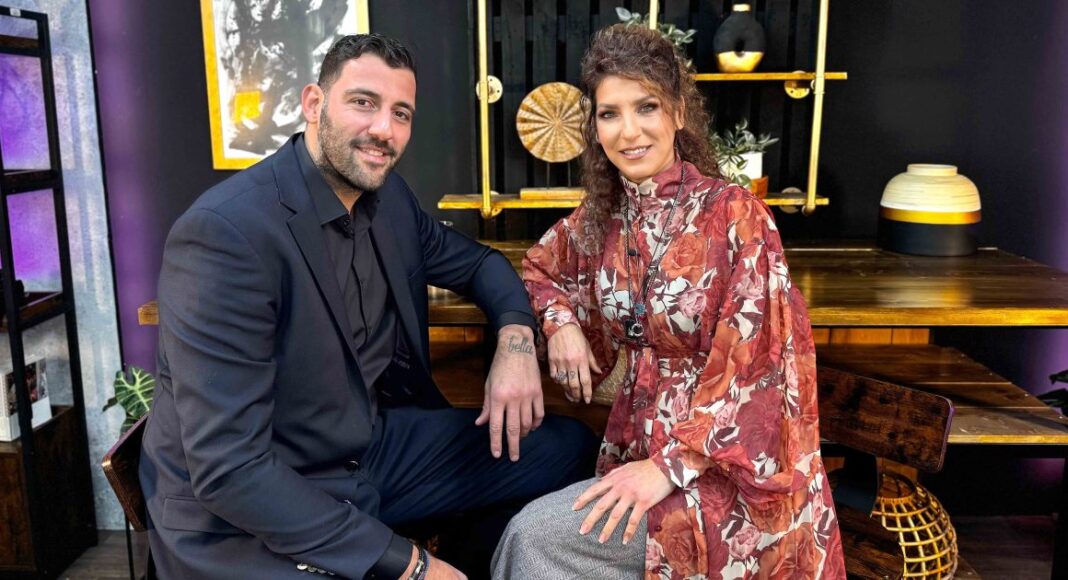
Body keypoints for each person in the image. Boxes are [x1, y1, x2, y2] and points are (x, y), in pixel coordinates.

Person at [140, 34, 595, 580]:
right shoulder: (225, 234)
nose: (384, 128)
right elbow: (231, 470)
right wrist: (414, 566)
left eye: (401, 113)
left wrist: (516, 341)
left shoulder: (389, 199)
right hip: (254, 506)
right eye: (363, 102)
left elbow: (481, 264)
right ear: (314, 104)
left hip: (366, 454)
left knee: (566, 449)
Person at [493, 24, 845, 579]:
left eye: (646, 107)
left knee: (534, 537)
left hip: (727, 475)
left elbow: (759, 368)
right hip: (638, 454)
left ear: (679, 112)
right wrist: (560, 324)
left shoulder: (734, 214)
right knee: (528, 532)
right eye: (609, 114)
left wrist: (669, 467)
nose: (628, 131)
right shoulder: (605, 218)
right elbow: (540, 268)